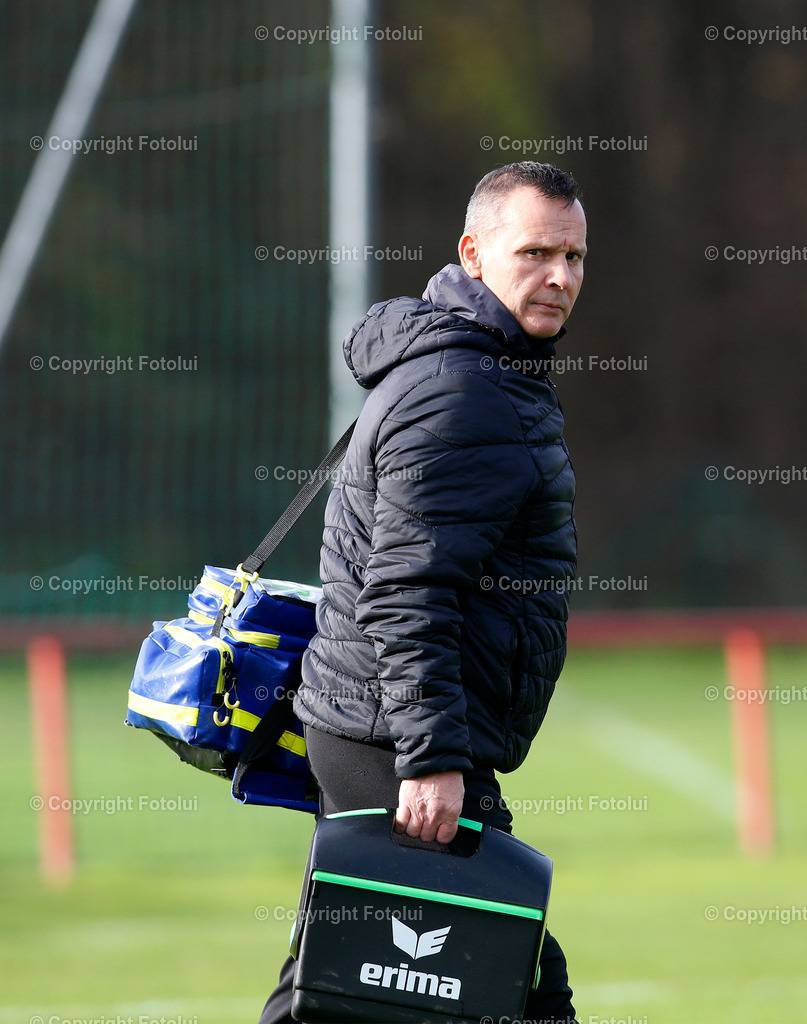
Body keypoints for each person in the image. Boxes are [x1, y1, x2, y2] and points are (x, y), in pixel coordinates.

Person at [259, 160, 587, 1024]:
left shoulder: (481, 367)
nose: (559, 277)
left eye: (574, 257)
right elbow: (407, 591)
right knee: (503, 974)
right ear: (472, 254)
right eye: (536, 253)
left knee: (338, 978)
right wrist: (433, 756)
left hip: (378, 722)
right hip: (396, 733)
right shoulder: (464, 390)